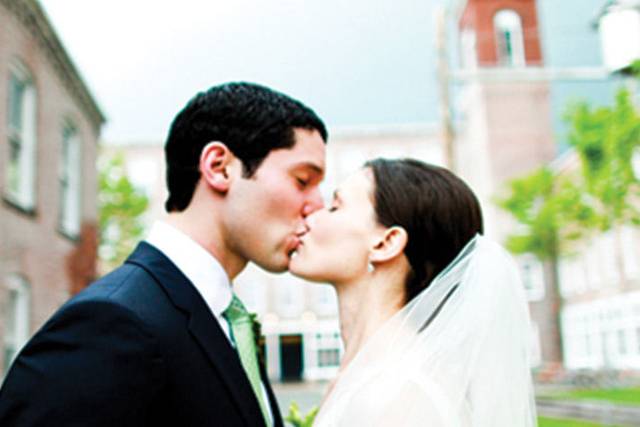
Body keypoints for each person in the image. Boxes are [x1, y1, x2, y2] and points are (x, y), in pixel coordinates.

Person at [0, 82, 328, 427]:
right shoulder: (111, 322)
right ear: (219, 167)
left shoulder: (229, 321)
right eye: (303, 180)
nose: (317, 205)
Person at [289, 158, 536, 426]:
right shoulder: (363, 378)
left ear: (385, 243)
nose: (310, 214)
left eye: (335, 207)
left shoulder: (399, 396)